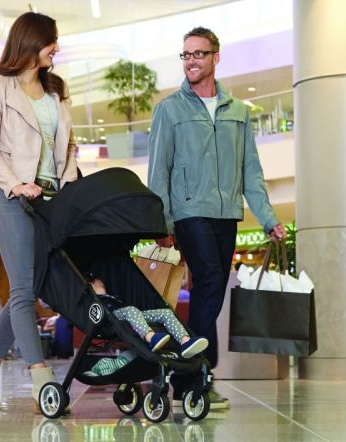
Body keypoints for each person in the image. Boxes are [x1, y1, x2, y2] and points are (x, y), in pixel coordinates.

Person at [147, 27, 286, 409]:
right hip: (189, 211)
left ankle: (194, 374)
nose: (191, 60)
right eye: (186, 54)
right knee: (208, 277)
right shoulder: (169, 109)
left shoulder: (238, 112)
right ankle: (193, 371)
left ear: (215, 57)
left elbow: (251, 173)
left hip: (227, 214)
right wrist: (163, 221)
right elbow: (159, 169)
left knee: (212, 289)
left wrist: (269, 218)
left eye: (198, 54)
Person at [0, 11, 78, 412]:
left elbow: (67, 147)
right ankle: (40, 377)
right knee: (23, 290)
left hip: (51, 202)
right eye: (53, 40)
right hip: (12, 198)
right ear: (33, 42)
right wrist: (16, 183)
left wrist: (67, 185)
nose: (57, 48)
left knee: (29, 289)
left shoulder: (56, 90)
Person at [90, 277, 209, 359]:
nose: (101, 285)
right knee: (131, 310)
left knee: (165, 313)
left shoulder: (109, 293)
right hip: (110, 316)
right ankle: (151, 337)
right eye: (99, 285)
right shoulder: (92, 295)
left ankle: (185, 342)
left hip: (127, 312)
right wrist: (95, 289)